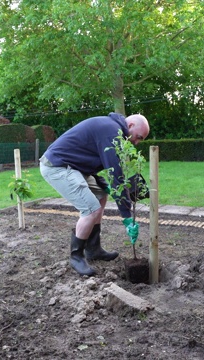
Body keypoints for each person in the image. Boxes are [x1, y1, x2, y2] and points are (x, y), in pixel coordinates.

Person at [39, 112, 150, 276]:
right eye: (138, 137)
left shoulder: (111, 128)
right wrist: (127, 217)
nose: (137, 142)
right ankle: (76, 256)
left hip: (74, 167)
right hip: (58, 167)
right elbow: (116, 175)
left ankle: (93, 249)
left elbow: (89, 157)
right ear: (131, 126)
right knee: (90, 209)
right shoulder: (112, 133)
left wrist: (104, 185)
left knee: (100, 195)